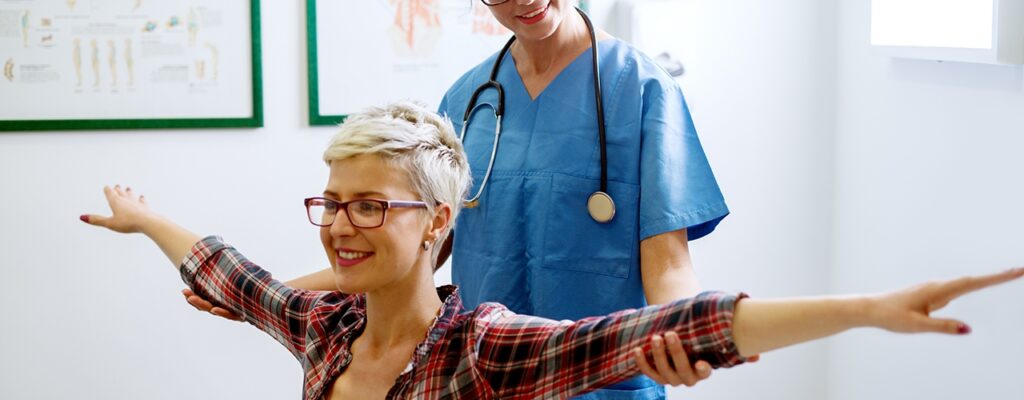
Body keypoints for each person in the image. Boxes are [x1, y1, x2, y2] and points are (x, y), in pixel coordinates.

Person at [84, 102, 1023, 399]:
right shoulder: (323, 327)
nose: (338, 226)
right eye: (330, 204)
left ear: (437, 223)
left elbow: (675, 326)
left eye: (370, 206)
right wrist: (147, 220)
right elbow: (231, 272)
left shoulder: (485, 350)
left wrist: (867, 311)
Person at [190, 2, 728, 396]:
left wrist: (682, 334)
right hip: (476, 375)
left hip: (600, 381)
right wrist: (265, 296)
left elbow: (669, 265)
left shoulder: (642, 88)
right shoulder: (470, 99)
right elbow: (415, 248)